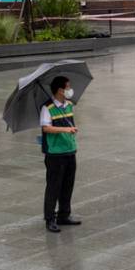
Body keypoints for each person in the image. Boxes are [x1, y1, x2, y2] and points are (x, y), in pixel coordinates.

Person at [40, 75, 81, 233]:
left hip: (70, 150)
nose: (70, 90)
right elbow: (46, 128)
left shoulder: (69, 105)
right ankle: (50, 218)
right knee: (53, 186)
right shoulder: (47, 108)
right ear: (60, 90)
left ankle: (64, 214)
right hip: (55, 153)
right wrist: (66, 129)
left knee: (67, 185)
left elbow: (71, 123)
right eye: (68, 87)